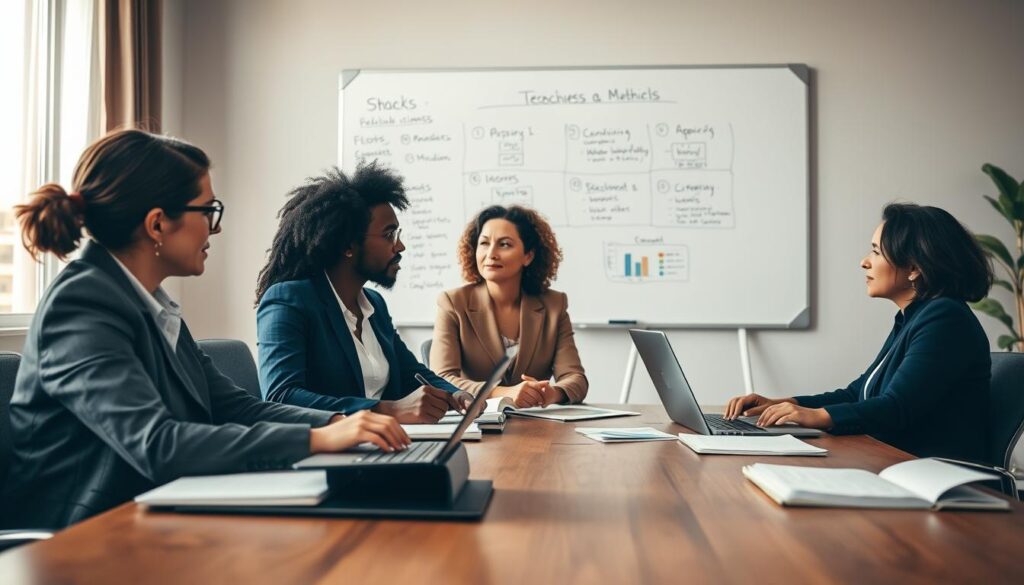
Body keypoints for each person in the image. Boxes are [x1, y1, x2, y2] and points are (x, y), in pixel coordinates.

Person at [0, 130, 409, 530]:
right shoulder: (82, 305)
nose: (215, 228)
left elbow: (236, 406)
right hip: (83, 538)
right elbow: (157, 444)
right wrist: (315, 440)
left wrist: (334, 422)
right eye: (208, 211)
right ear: (158, 224)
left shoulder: (148, 303)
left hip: (153, 515)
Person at [725, 202, 992, 462]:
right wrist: (782, 403)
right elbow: (858, 393)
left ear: (913, 268)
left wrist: (816, 416)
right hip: (900, 465)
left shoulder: (945, 318)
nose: (864, 262)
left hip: (938, 480)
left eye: (876, 251)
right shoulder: (913, 318)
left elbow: (896, 408)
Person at [255, 163, 470, 423]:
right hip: (326, 452)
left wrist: (459, 396)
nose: (400, 246)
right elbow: (281, 396)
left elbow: (412, 374)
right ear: (347, 245)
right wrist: (387, 410)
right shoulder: (289, 300)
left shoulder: (374, 305)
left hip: (385, 445)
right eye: (389, 234)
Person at [430, 205, 588, 407]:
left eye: (504, 244)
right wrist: (502, 393)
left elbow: (575, 378)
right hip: (477, 425)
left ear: (528, 256)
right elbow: (441, 379)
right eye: (484, 243)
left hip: (535, 427)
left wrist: (551, 393)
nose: (491, 253)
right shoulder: (453, 303)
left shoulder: (554, 306)